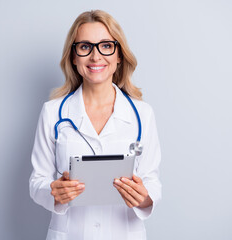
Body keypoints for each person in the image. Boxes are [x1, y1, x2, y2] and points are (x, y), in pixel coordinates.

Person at [29, 10, 161, 240]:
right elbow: (37, 181)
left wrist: (144, 197)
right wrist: (54, 192)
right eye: (85, 47)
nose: (96, 56)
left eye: (106, 46)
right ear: (73, 56)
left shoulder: (142, 114)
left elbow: (151, 180)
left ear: (119, 55)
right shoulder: (53, 113)